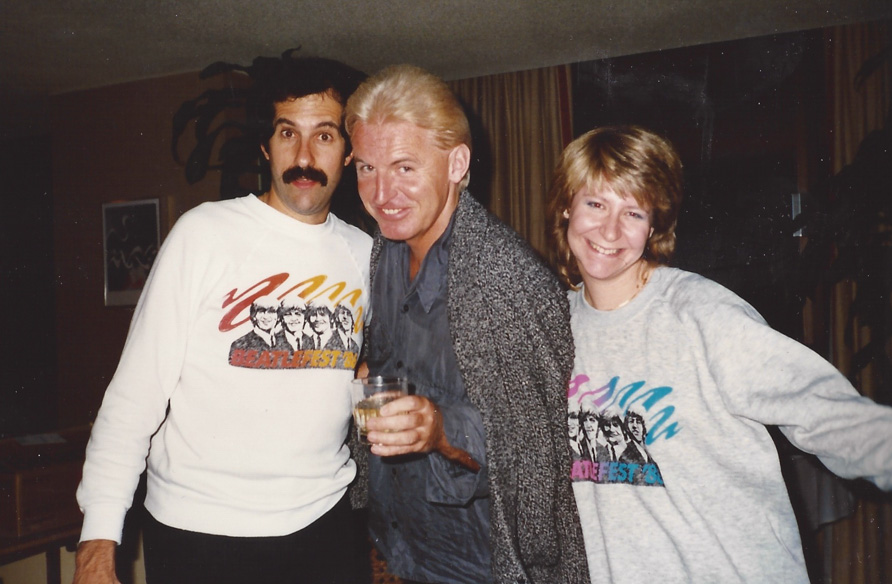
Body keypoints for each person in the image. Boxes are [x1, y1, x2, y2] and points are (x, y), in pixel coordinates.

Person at [548, 124, 892, 583]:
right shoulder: (550, 330)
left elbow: (827, 413)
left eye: (633, 212)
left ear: (654, 226)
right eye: (595, 203)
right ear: (567, 206)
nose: (610, 229)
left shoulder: (701, 314)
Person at [73, 55, 371, 584]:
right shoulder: (203, 235)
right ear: (265, 145)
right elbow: (133, 398)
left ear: (348, 153)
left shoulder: (366, 255)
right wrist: (98, 543)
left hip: (325, 527)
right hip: (201, 535)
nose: (304, 156)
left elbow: (357, 369)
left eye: (324, 136)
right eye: (287, 133)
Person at [344, 64, 589, 584]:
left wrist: (441, 429)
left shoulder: (507, 277)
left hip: (487, 564)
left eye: (404, 167)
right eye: (366, 168)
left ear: (457, 163)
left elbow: (545, 448)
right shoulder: (383, 253)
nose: (381, 191)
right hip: (398, 546)